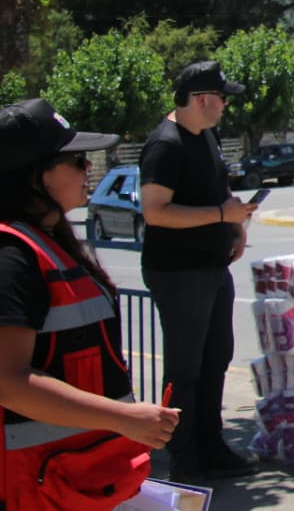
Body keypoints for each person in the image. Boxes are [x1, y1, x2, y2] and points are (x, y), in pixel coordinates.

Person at [0, 99, 180, 508]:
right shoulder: (11, 255)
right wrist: (123, 418)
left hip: (76, 476)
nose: (88, 169)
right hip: (36, 484)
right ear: (36, 175)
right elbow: (8, 382)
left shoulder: (48, 241)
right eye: (76, 160)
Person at [139, 61, 259, 482]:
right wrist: (221, 215)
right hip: (178, 271)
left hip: (211, 266)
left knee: (215, 358)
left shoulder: (206, 135)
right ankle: (183, 459)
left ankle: (211, 447)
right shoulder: (165, 144)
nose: (226, 105)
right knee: (185, 368)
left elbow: (220, 187)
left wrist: (235, 225)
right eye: (222, 98)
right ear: (202, 99)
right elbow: (155, 212)